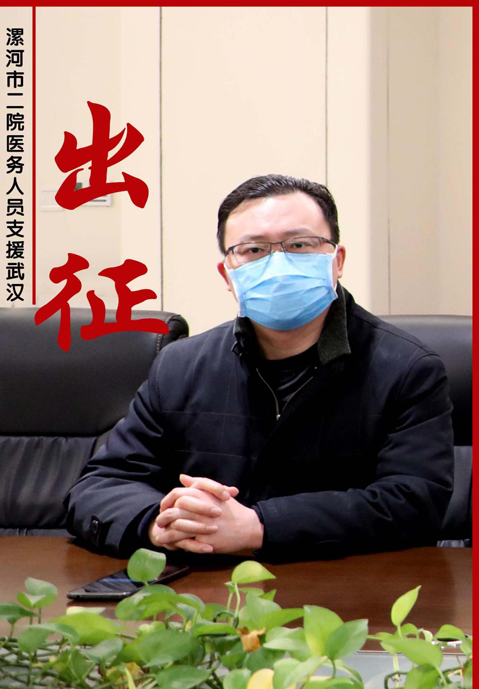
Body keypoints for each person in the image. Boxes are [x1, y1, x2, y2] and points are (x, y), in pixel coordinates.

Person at [65, 174, 454, 561]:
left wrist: (259, 526)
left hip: (347, 588)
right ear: (227, 275)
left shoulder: (405, 368)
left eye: (299, 245)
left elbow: (414, 504)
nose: (278, 264)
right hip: (204, 587)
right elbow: (99, 487)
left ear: (337, 262)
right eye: (253, 250)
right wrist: (159, 522)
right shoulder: (181, 366)